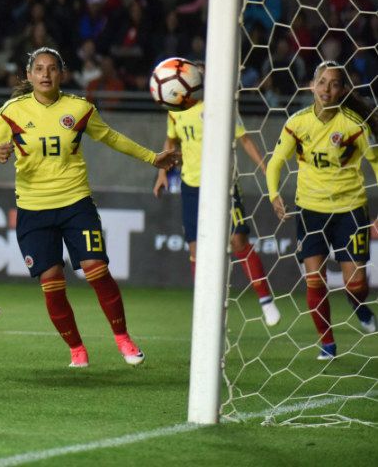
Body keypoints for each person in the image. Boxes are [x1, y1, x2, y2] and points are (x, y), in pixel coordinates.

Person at [0, 47, 181, 367]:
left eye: (52, 69)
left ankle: (123, 338)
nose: (45, 74)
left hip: (75, 202)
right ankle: (76, 349)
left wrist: (153, 158)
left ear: (62, 74)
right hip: (33, 209)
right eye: (39, 69)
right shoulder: (11, 111)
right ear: (29, 76)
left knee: (96, 269)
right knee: (52, 282)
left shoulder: (79, 108)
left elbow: (112, 138)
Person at [153, 64, 281, 327]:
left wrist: (265, 167)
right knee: (196, 250)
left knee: (238, 240)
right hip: (191, 186)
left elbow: (244, 139)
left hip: (223, 183)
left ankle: (266, 301)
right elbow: (171, 141)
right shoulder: (176, 108)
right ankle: (206, 309)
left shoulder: (220, 107)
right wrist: (162, 173)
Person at [267, 61, 378, 360]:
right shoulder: (297, 122)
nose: (327, 89)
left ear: (343, 89)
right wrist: (274, 193)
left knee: (356, 285)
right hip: (310, 210)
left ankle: (357, 303)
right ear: (312, 86)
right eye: (322, 82)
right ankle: (327, 343)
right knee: (314, 279)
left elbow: (377, 164)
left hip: (350, 209)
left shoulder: (354, 125)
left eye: (334, 84)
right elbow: (276, 161)